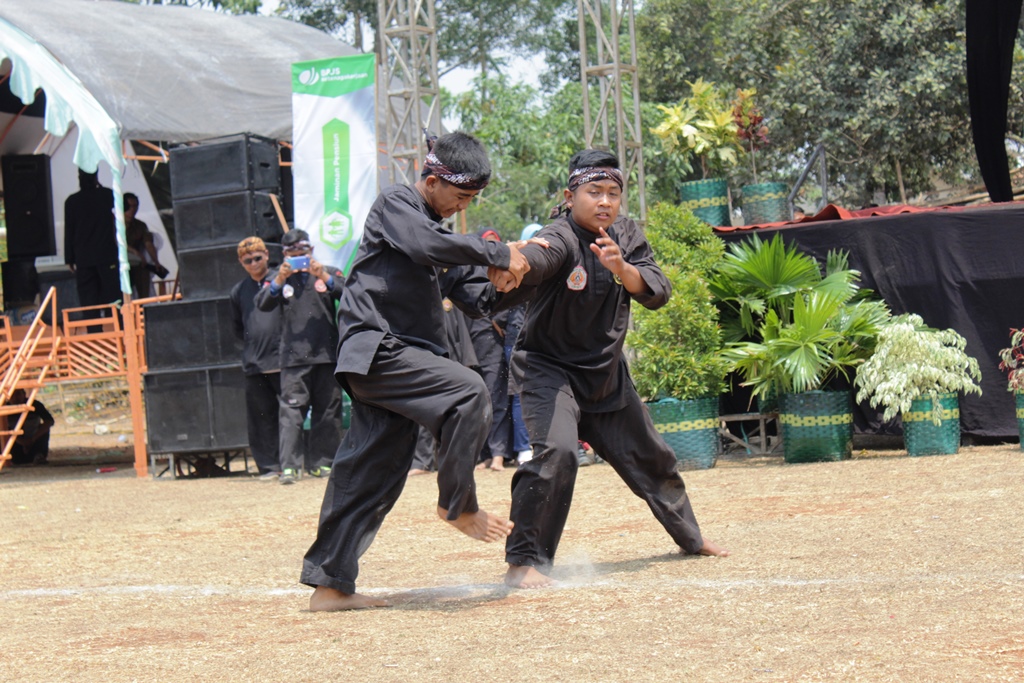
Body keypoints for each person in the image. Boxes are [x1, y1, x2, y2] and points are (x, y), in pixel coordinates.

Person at [300, 130, 530, 611]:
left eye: (472, 200)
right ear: (430, 180)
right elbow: (427, 245)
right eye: (460, 196)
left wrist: (516, 276)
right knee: (469, 391)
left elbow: (477, 298)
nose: (461, 207)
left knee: (372, 473)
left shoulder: (441, 238)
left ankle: (330, 586)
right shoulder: (396, 205)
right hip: (378, 348)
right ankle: (458, 504)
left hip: (399, 360)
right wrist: (492, 251)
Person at [489, 149, 730, 589]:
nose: (604, 202)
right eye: (594, 192)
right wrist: (516, 263)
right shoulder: (558, 235)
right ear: (570, 195)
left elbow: (657, 291)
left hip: (604, 374)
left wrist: (621, 267)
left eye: (613, 193)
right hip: (549, 370)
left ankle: (690, 538)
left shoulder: (625, 234)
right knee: (557, 454)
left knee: (653, 458)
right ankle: (523, 561)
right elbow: (541, 259)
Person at [254, 229, 344, 486]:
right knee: (292, 411)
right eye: (292, 254)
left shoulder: (327, 272)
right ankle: (291, 467)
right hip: (293, 358)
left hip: (326, 354)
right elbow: (262, 303)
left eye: (302, 253)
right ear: (284, 255)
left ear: (311, 250)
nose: (298, 259)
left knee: (328, 411)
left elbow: (347, 293)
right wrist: (281, 278)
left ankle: (323, 462)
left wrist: (322, 275)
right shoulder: (277, 279)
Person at [229, 237, 284, 481]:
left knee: (292, 415)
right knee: (261, 417)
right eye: (247, 260)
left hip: (284, 361)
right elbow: (238, 328)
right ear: (241, 262)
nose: (253, 263)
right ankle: (269, 465)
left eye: (257, 258)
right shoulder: (239, 291)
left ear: (267, 255)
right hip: (255, 363)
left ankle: (293, 461)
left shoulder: (281, 279)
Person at [409, 296, 479, 476]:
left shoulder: (448, 298)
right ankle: (422, 462)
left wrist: (467, 360)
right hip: (423, 359)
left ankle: (455, 461)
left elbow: (461, 330)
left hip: (450, 360)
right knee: (423, 409)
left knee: (453, 414)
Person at [64, 170, 119, 320]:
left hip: (83, 257)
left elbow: (69, 230)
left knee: (88, 298)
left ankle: (93, 331)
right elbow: (125, 204)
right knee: (113, 294)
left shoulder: (72, 201)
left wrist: (69, 258)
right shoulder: (106, 195)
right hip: (106, 254)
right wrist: (99, 187)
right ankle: (119, 326)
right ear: (96, 177)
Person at [123, 192, 168, 299]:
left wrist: (156, 262)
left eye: (135, 206)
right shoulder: (115, 223)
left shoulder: (140, 225)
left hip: (138, 264)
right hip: (120, 265)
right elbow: (117, 242)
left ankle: (144, 308)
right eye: (129, 206)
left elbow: (148, 244)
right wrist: (135, 252)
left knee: (144, 284)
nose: (132, 209)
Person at [6, 389, 54, 466]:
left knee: (44, 428)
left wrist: (33, 439)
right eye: (12, 395)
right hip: (14, 442)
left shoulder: (35, 405)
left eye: (18, 394)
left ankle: (39, 455)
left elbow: (49, 421)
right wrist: (19, 440)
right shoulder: (4, 407)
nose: (15, 398)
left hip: (34, 437)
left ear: (24, 395)